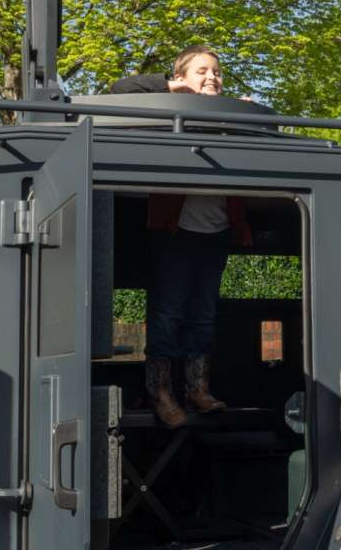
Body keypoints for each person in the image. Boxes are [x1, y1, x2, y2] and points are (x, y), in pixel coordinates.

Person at [110, 45, 252, 427]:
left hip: (217, 233)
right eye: (202, 71)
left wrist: (246, 112)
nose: (212, 77)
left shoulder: (231, 117)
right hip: (175, 233)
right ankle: (160, 392)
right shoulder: (168, 114)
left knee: (204, 315)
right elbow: (119, 89)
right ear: (181, 78)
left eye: (217, 72)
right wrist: (170, 88)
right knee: (168, 313)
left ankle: (197, 389)